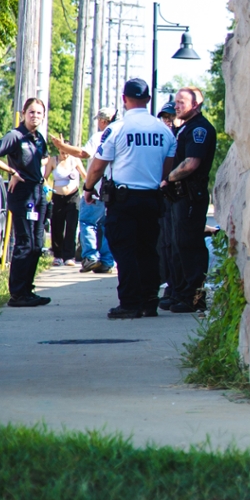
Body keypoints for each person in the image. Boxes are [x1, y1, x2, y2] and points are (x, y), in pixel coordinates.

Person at [82, 79, 176, 320]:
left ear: (124, 100)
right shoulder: (164, 130)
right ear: (148, 100)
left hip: (123, 200)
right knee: (148, 251)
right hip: (152, 199)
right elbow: (168, 169)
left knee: (124, 252)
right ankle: (149, 301)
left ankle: (130, 303)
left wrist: (88, 187)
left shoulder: (117, 129)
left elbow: (97, 166)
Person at [0, 97, 51, 307]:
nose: (35, 116)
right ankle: (18, 294)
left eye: (39, 113)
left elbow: (45, 159)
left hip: (38, 193)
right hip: (22, 194)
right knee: (25, 244)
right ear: (23, 114)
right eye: (31, 112)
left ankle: (28, 290)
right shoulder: (15, 136)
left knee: (37, 245)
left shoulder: (39, 138)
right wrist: (12, 171)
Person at [164, 87, 216, 313]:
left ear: (195, 105)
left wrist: (168, 178)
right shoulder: (185, 128)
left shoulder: (199, 129)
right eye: (175, 102)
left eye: (181, 102)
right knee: (177, 245)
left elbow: (191, 164)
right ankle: (180, 292)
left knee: (189, 245)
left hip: (191, 194)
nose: (176, 106)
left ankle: (193, 297)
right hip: (180, 195)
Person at [53, 109, 115, 274]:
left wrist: (62, 146)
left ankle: (91, 257)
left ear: (103, 121)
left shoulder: (100, 136)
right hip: (114, 189)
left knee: (88, 222)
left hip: (97, 187)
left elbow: (83, 153)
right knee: (106, 225)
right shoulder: (120, 135)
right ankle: (107, 261)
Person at [155, 101, 182, 310]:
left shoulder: (182, 137)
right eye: (164, 117)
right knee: (163, 244)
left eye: (171, 117)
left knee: (176, 243)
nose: (167, 121)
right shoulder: (160, 139)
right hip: (161, 196)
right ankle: (169, 285)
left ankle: (177, 288)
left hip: (178, 195)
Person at [44, 150, 83, 265]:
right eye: (62, 153)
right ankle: (58, 255)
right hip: (58, 196)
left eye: (67, 153)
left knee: (71, 226)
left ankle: (69, 256)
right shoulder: (53, 161)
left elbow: (85, 174)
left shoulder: (74, 160)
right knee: (57, 226)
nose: (64, 155)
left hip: (73, 196)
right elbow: (45, 177)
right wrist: (46, 187)